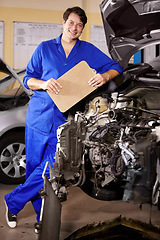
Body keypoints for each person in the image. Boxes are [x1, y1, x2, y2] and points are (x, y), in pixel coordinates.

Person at [4, 6, 123, 230]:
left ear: (82, 28)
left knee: (50, 170)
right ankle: (40, 218)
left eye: (79, 25)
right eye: (71, 23)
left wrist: (103, 76)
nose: (75, 28)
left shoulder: (87, 51)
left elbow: (115, 67)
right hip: (38, 119)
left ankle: (13, 201)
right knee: (33, 169)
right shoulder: (45, 48)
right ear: (63, 22)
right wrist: (44, 84)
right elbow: (28, 78)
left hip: (65, 124)